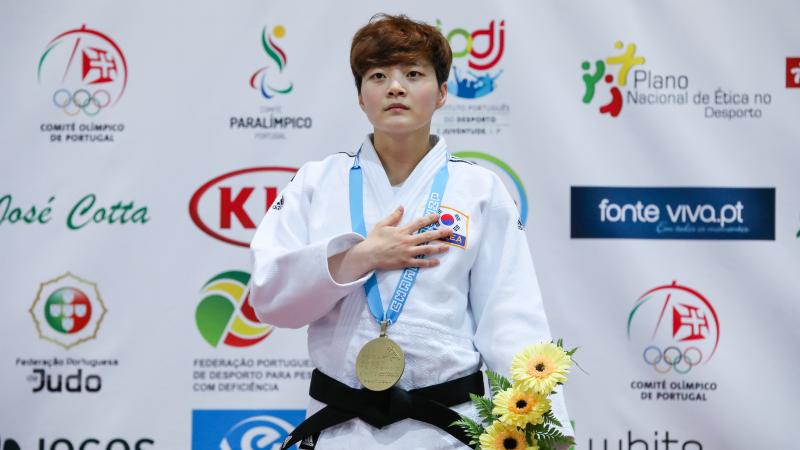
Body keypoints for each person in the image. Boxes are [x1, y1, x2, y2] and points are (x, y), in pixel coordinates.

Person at [249, 14, 574, 450]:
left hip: (447, 431)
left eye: (413, 74)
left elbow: (512, 323)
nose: (395, 87)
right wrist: (360, 257)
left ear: (441, 94)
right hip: (340, 431)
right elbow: (270, 301)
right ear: (361, 98)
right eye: (378, 75)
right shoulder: (315, 183)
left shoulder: (478, 190)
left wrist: (545, 436)